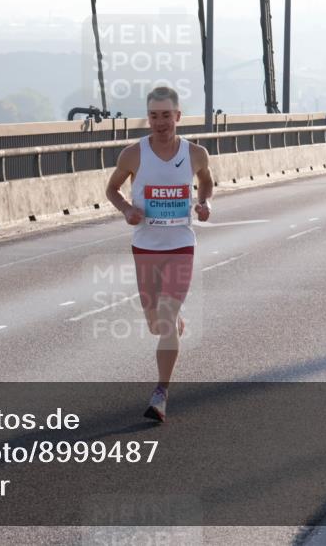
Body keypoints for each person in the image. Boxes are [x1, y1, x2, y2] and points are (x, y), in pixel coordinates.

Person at [105, 86, 213, 421]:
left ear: (178, 116)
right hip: (145, 246)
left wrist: (205, 202)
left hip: (181, 243)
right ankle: (174, 321)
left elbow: (206, 181)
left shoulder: (195, 153)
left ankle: (161, 393)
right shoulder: (132, 154)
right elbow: (112, 189)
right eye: (154, 116)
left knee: (164, 318)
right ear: (148, 118)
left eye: (166, 115)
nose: (160, 122)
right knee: (155, 322)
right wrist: (126, 210)